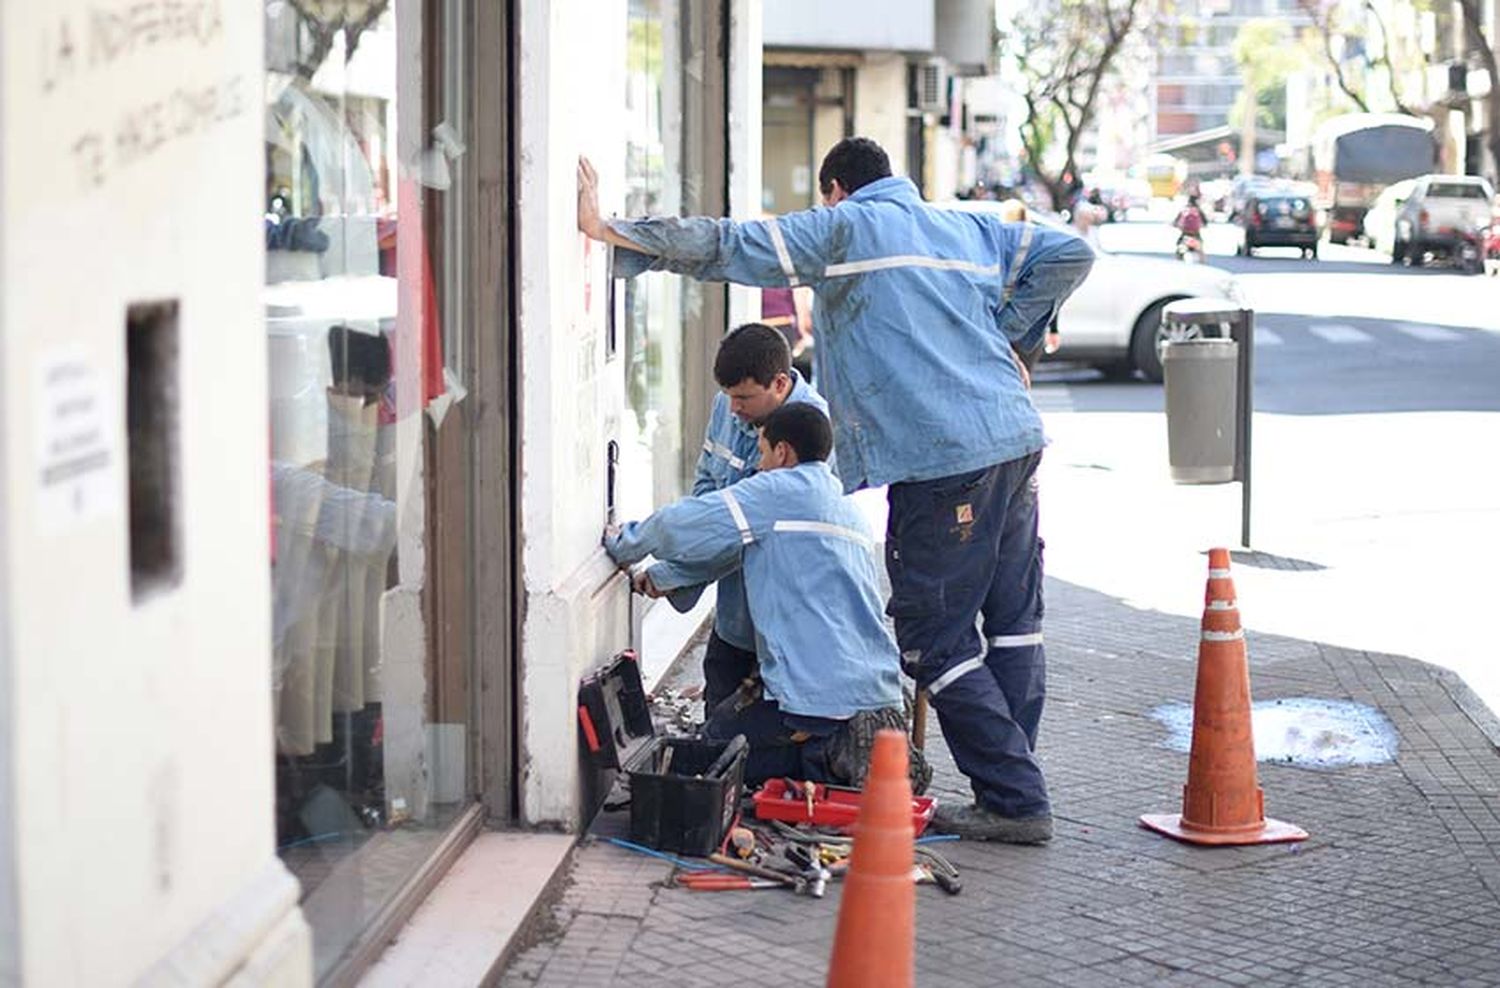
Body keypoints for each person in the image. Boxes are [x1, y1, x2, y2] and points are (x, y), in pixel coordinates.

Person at [578, 136, 1094, 843]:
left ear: (833, 190)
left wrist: (617, 233)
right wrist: (1006, 339)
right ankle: (1013, 781)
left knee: (932, 639)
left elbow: (734, 244)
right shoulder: (967, 226)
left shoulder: (845, 229)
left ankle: (1013, 796)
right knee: (1012, 624)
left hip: (942, 461)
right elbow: (1071, 253)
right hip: (1016, 442)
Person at [605, 404, 915, 788]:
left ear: (782, 452)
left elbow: (685, 522)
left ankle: (823, 760)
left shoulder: (777, 489)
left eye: (764, 454)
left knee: (716, 748)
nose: (761, 466)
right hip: (876, 693)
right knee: (727, 724)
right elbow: (731, 552)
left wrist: (624, 544)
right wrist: (662, 577)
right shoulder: (846, 509)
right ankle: (840, 754)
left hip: (817, 703)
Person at [686, 323, 827, 713]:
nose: (733, 408)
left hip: (784, 629)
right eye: (728, 396)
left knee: (766, 743)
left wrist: (676, 574)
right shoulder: (728, 404)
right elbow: (706, 484)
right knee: (717, 724)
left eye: (744, 397)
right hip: (734, 617)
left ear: (779, 384)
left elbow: (758, 529)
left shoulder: (813, 428)